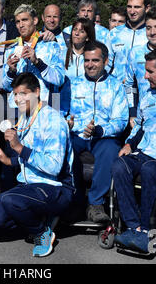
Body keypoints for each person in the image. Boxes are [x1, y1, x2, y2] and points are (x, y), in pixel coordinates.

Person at [0, 72, 75, 258]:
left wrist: (18, 147)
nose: (18, 99)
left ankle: (41, 232)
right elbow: (27, 156)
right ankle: (39, 219)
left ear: (37, 92)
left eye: (23, 94)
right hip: (29, 187)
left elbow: (54, 167)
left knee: (10, 200)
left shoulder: (53, 120)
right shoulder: (25, 117)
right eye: (15, 94)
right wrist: (9, 160)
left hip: (56, 188)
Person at [111, 46, 156, 253]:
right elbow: (140, 128)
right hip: (147, 153)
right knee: (120, 165)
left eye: (150, 72)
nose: (144, 76)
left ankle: (146, 231)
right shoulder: (148, 95)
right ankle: (133, 226)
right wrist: (128, 144)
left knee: (150, 169)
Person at [66, 41, 128, 223]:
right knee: (64, 147)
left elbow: (121, 121)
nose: (90, 64)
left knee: (110, 149)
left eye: (95, 60)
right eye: (86, 60)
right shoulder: (73, 84)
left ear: (106, 61)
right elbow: (62, 113)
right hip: (77, 135)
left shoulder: (116, 86)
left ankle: (95, 204)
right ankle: (74, 201)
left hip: (103, 137)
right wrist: (69, 124)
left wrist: (100, 130)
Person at [3, 4, 64, 111]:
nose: (21, 25)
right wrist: (11, 71)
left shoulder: (51, 45)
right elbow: (6, 87)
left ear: (35, 20)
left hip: (43, 108)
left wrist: (37, 63)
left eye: (25, 20)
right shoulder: (10, 50)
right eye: (18, 21)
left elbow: (59, 79)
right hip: (17, 109)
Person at [106, 0, 151, 82]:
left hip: (144, 90)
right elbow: (106, 64)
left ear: (147, 8)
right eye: (129, 7)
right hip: (118, 89)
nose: (132, 11)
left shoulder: (152, 34)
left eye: (137, 7)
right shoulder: (114, 33)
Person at [58, 17, 96, 116]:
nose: (76, 33)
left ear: (87, 37)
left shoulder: (93, 57)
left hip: (86, 109)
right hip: (63, 109)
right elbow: (54, 86)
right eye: (75, 30)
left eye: (81, 31)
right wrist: (55, 111)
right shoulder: (60, 55)